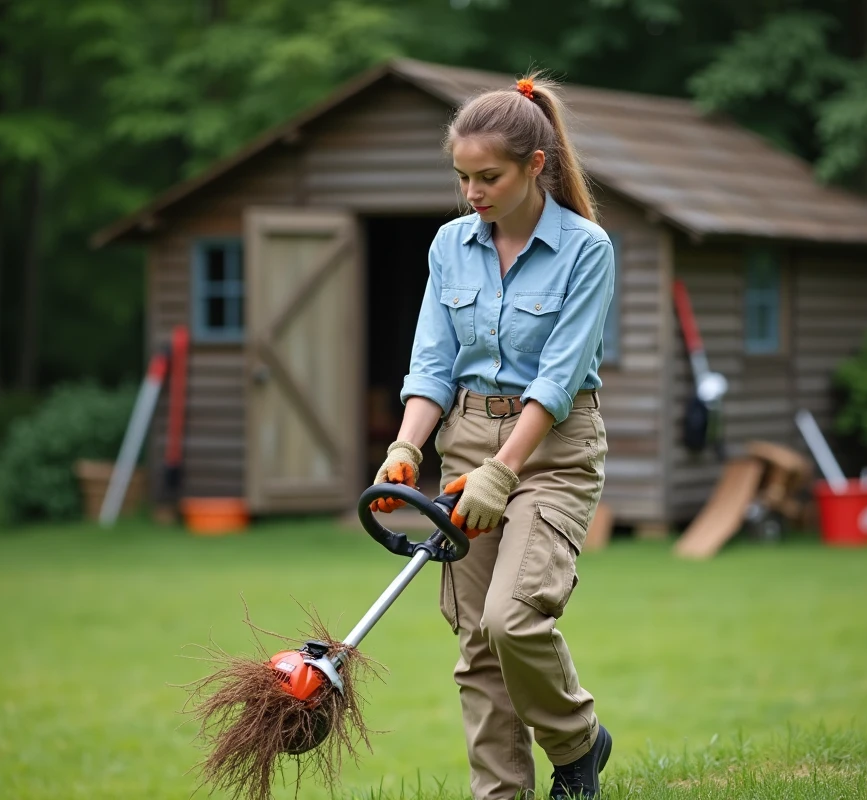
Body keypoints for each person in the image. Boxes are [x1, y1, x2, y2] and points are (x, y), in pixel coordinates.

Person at [368, 73, 615, 800]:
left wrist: (503, 471)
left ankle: (576, 743)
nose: (472, 191)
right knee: (476, 642)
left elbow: (557, 381)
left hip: (553, 452)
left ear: (535, 165)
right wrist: (408, 447)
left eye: (489, 177)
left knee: (511, 620)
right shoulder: (450, 246)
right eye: (462, 177)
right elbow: (433, 363)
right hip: (465, 439)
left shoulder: (585, 248)